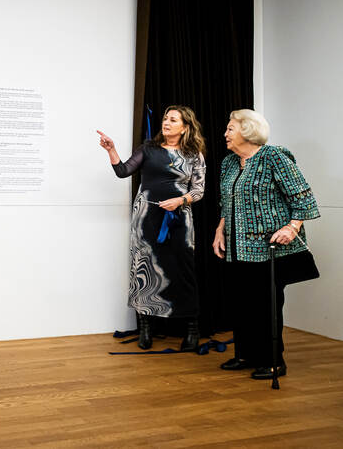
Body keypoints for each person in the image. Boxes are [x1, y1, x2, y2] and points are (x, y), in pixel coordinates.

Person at [213, 109, 319, 380]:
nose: (225, 134)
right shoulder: (229, 163)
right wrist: (220, 230)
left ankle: (273, 361)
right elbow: (226, 202)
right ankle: (245, 355)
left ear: (248, 131)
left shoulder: (274, 157)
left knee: (266, 304)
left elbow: (303, 198)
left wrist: (292, 227)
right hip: (237, 247)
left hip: (268, 248)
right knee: (242, 302)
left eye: (230, 129)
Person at [97, 105, 206, 351]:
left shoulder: (194, 154)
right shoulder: (148, 148)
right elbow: (123, 171)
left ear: (185, 127)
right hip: (146, 218)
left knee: (183, 271)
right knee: (143, 270)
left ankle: (192, 329)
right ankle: (145, 328)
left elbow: (199, 191)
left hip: (179, 220)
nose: (166, 122)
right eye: (165, 118)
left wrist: (180, 201)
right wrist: (111, 150)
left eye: (173, 120)